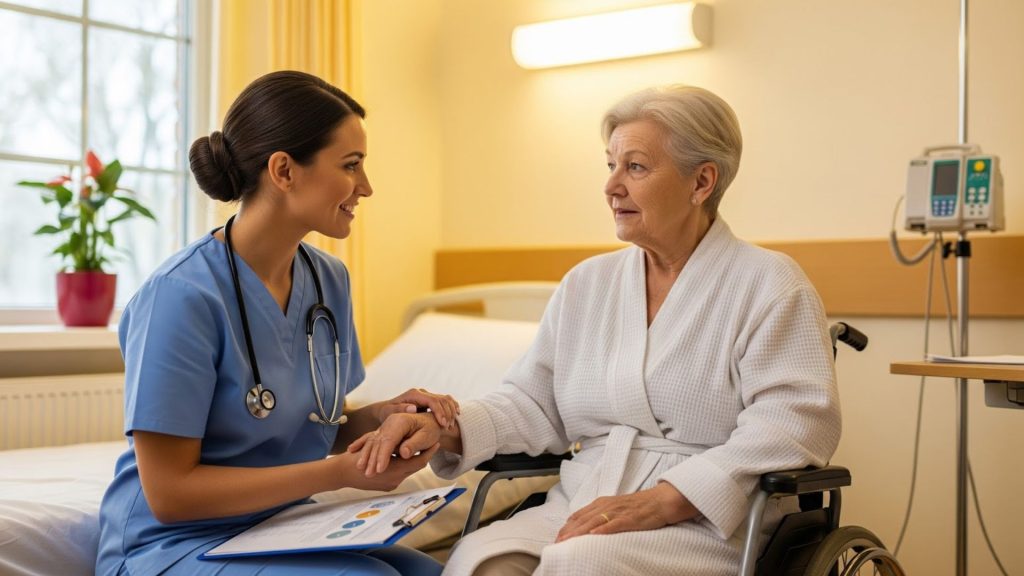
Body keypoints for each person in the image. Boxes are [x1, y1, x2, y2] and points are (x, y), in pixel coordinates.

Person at [347, 85, 841, 576]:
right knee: (482, 560)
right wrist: (446, 427)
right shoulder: (588, 284)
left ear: (702, 182)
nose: (612, 186)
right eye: (611, 165)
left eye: (636, 167)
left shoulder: (769, 283)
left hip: (712, 520)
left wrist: (668, 500)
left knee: (581, 563)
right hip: (585, 503)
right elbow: (533, 402)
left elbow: (793, 422)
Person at [95, 70, 458, 576]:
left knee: (437, 573)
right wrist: (338, 474)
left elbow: (313, 427)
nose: (367, 188)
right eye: (351, 166)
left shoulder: (328, 279)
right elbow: (170, 495)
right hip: (172, 543)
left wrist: (380, 419)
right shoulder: (180, 297)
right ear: (284, 171)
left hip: (279, 527)